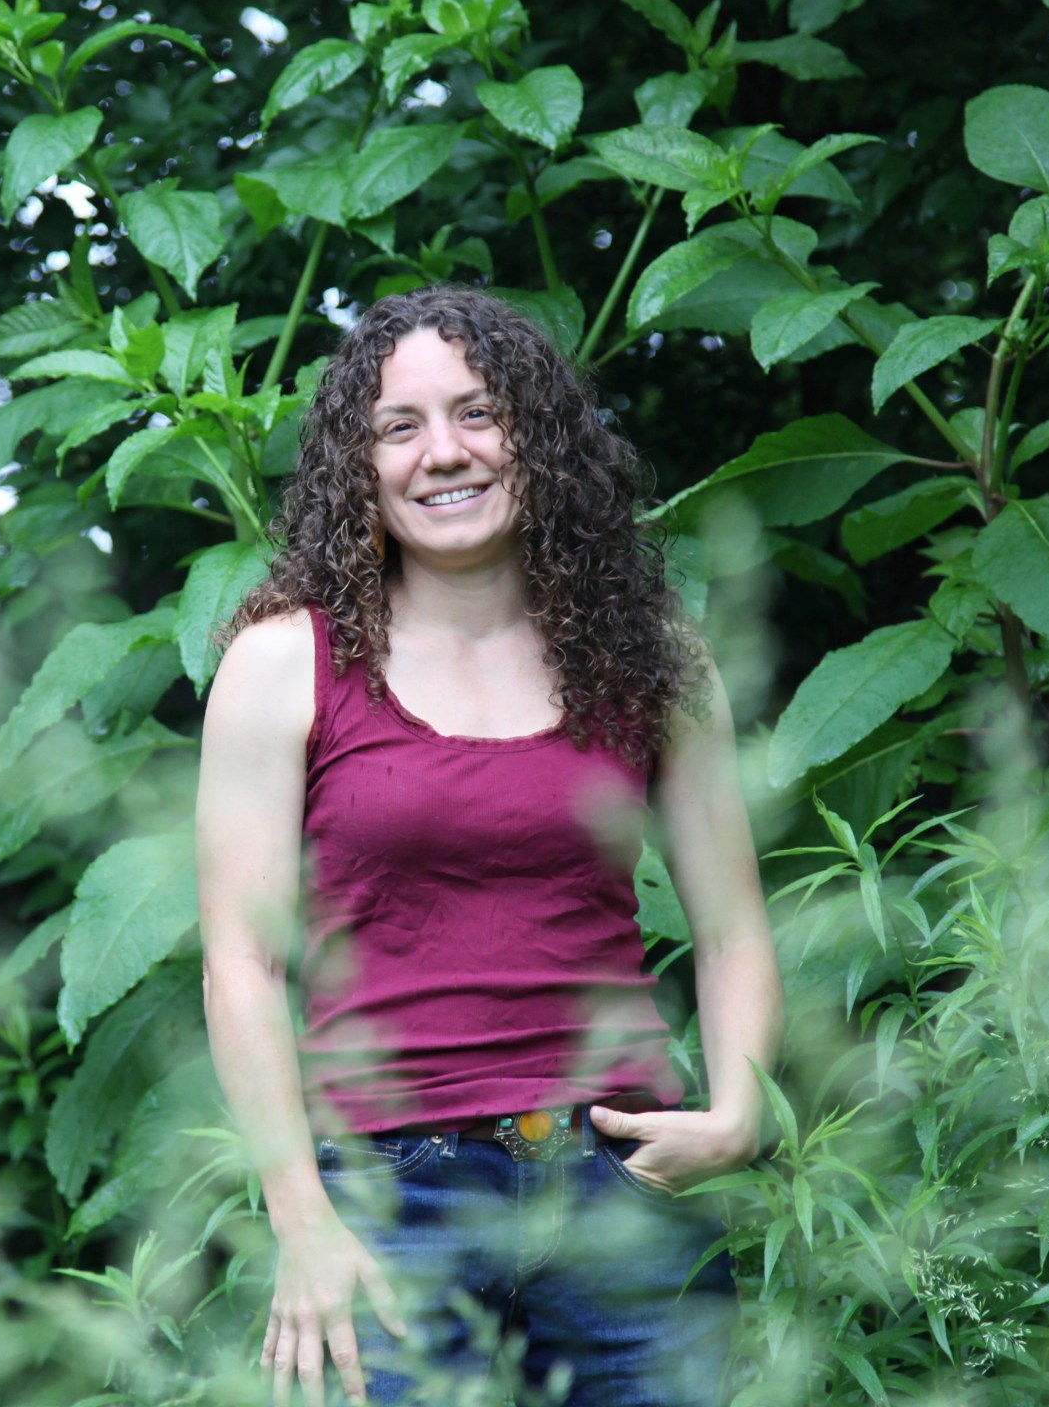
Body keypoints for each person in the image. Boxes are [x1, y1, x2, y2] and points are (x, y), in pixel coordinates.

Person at [195, 286, 782, 1407]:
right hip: (388, 1202)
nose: (442, 454)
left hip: (624, 1180)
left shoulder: (652, 657)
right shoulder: (281, 664)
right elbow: (241, 966)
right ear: (355, 466)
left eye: (477, 413)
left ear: (538, 437)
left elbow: (731, 926)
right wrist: (301, 1221)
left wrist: (740, 1117)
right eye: (398, 427)